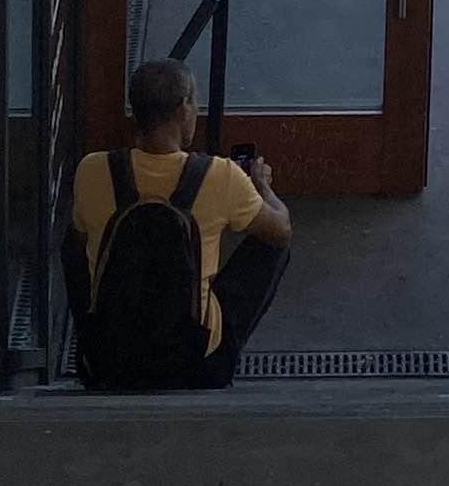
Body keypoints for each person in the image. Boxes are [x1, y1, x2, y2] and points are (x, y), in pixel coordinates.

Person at [66, 56, 292, 389]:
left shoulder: (91, 170)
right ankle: (221, 354)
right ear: (183, 109)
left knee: (73, 241)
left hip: (111, 364)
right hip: (195, 365)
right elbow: (281, 230)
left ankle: (86, 348)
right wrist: (263, 189)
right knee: (272, 246)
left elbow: (77, 254)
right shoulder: (221, 175)